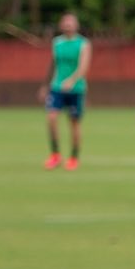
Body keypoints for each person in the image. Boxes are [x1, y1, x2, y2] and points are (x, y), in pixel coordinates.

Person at [41, 13, 91, 170]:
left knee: (74, 123)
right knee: (51, 118)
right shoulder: (57, 43)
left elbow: (83, 67)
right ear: (61, 25)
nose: (68, 25)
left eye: (71, 22)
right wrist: (46, 85)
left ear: (76, 25)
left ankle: (74, 157)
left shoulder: (83, 44)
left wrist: (72, 80)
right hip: (57, 87)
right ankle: (55, 154)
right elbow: (53, 65)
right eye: (65, 22)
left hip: (76, 89)